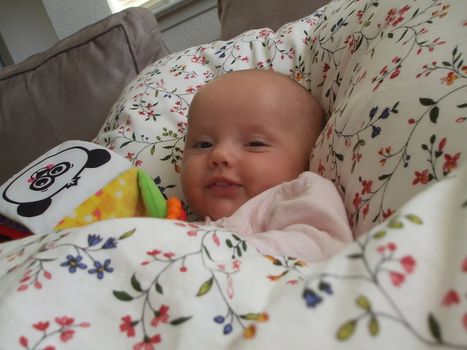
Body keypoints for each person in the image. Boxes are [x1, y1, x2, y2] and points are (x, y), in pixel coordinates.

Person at [181, 69, 352, 261]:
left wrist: (211, 249)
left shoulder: (298, 193)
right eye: (203, 144)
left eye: (255, 144)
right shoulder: (180, 222)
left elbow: (321, 247)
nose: (219, 154)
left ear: (307, 158)